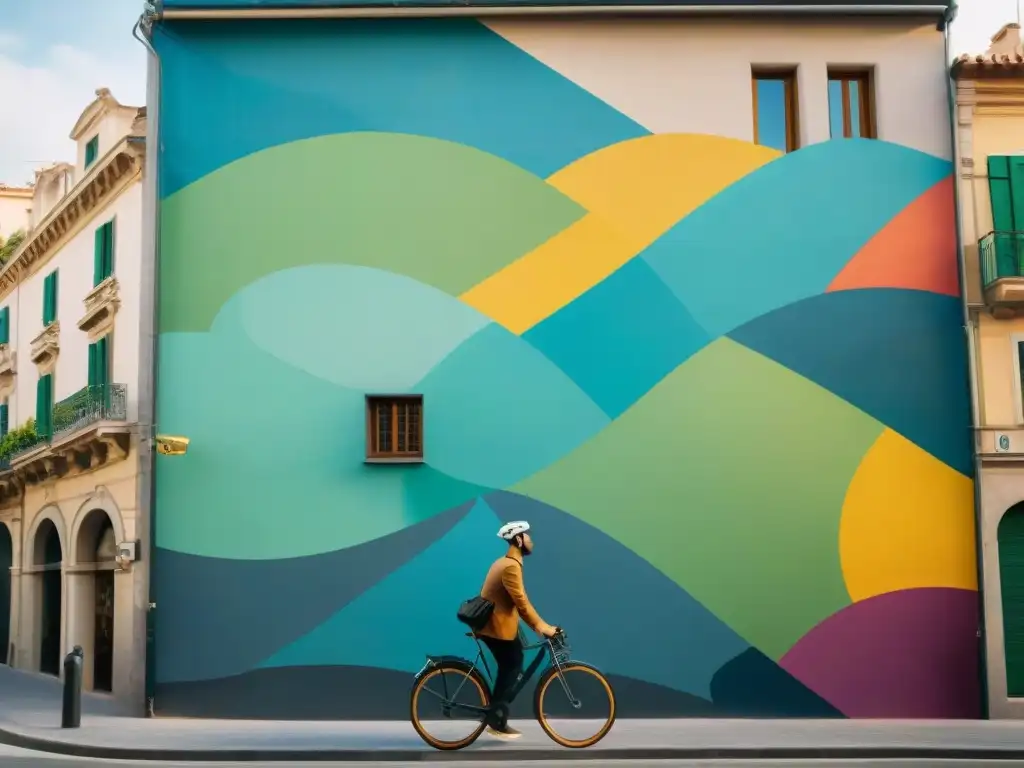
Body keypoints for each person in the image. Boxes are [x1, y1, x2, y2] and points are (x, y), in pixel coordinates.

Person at [476, 520, 559, 740]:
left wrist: (536, 627)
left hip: (500, 623)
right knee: (512, 664)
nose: (531, 540)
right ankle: (496, 718)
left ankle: (497, 712)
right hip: (495, 627)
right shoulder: (511, 566)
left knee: (513, 662)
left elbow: (514, 605)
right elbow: (521, 603)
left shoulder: (508, 563)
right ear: (519, 539)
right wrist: (542, 627)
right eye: (527, 536)